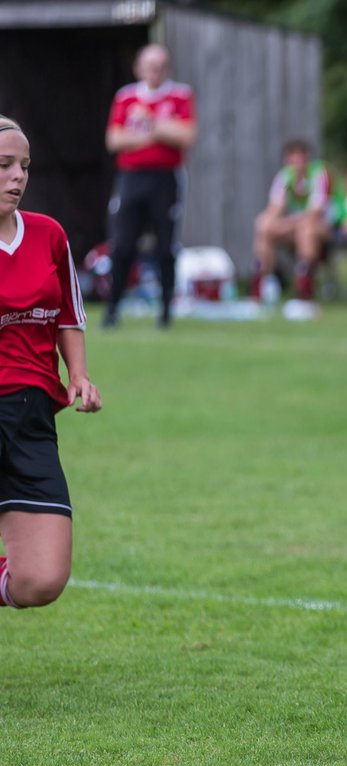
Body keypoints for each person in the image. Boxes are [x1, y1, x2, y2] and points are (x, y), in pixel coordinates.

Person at [0, 116, 102, 609]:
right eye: (3, 166)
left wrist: (79, 375)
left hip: (33, 418)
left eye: (23, 166)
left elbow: (68, 313)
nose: (17, 177)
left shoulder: (48, 235)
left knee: (41, 579)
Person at [102, 43, 198, 329]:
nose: (154, 71)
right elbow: (115, 140)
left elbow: (187, 135)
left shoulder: (179, 95)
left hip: (165, 178)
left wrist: (151, 123)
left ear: (166, 69)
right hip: (131, 178)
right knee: (122, 243)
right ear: (138, 68)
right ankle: (112, 310)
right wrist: (157, 135)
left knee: (165, 244)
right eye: (149, 65)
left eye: (159, 65)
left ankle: (166, 311)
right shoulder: (126, 97)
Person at [250, 139, 345, 306]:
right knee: (263, 225)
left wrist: (287, 223)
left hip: (325, 228)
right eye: (292, 160)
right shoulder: (286, 177)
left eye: (299, 159)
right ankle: (264, 281)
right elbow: (275, 209)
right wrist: (271, 223)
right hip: (294, 227)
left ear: (307, 159)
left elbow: (314, 213)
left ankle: (304, 290)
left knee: (306, 230)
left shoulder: (319, 174)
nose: (296, 164)